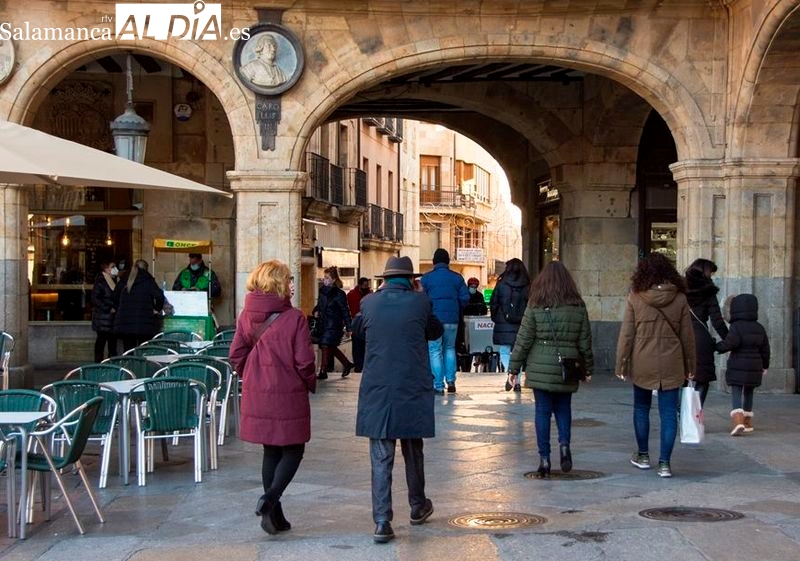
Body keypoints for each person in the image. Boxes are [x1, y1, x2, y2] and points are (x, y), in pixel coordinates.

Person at [354, 256, 443, 544]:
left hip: (378, 389)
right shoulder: (421, 302)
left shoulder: (368, 303)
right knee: (413, 449)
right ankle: (417, 506)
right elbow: (435, 331)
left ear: (385, 279)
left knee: (381, 456)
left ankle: (382, 521)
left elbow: (357, 332)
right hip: (411, 386)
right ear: (411, 279)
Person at [229, 260, 316, 534]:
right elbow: (304, 361)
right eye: (290, 280)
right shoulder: (295, 318)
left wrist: (253, 375)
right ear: (278, 283)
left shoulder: (245, 314)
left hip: (258, 392)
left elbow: (236, 354)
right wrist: (309, 382)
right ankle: (270, 498)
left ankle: (275, 516)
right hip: (287, 391)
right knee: (294, 448)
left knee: (271, 449)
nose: (293, 285)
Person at [506, 261, 593, 477]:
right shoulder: (577, 305)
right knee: (564, 408)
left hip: (540, 365)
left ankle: (544, 458)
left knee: (542, 412)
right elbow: (585, 341)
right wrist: (588, 367)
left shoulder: (536, 304)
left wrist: (513, 369)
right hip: (568, 365)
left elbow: (524, 339)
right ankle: (565, 446)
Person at [615, 253, 696, 479]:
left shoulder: (636, 296)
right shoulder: (680, 298)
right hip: (672, 362)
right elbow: (688, 336)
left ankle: (642, 455)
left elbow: (627, 334)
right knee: (669, 413)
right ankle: (664, 463)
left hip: (643, 361)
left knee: (641, 408)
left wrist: (621, 363)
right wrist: (691, 365)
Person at [715, 294, 770, 436]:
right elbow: (765, 349)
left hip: (738, 363)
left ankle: (738, 421)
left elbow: (730, 343)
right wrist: (765, 365)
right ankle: (747, 422)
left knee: (737, 390)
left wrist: (716, 347)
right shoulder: (759, 328)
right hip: (755, 365)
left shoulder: (736, 327)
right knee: (749, 392)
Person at [420, 248, 469, 394]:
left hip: (434, 321)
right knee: (450, 348)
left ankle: (438, 385)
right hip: (452, 320)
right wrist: (456, 307)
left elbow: (422, 299)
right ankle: (451, 381)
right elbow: (465, 298)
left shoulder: (427, 278)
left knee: (435, 351)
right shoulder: (457, 278)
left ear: (434, 262)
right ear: (448, 262)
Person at [684, 258, 728, 405]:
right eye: (711, 274)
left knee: (680, 379)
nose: (712, 277)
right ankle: (695, 412)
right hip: (700, 339)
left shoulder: (679, 290)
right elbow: (717, 321)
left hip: (680, 337)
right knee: (702, 379)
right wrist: (728, 340)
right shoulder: (708, 293)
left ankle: (681, 411)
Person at [490, 258, 532, 392]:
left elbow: (494, 303)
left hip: (504, 323)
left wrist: (497, 318)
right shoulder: (527, 285)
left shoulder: (502, 284)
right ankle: (517, 381)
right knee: (518, 353)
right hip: (521, 323)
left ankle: (510, 374)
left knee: (504, 351)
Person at [114, 260, 166, 351]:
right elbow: (159, 296)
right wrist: (157, 309)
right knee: (143, 351)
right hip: (144, 322)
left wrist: (120, 309)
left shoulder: (125, 278)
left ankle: (128, 365)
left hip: (126, 321)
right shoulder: (148, 279)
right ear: (146, 269)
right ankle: (140, 365)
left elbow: (115, 296)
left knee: (128, 350)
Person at [313, 266, 354, 379]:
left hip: (333, 325)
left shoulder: (339, 294)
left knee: (326, 345)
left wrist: (349, 328)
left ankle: (323, 371)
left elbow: (345, 310)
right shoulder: (322, 292)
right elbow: (319, 306)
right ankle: (347, 364)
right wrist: (315, 311)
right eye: (324, 277)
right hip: (323, 324)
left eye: (326, 278)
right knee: (329, 347)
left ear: (333, 279)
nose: (324, 280)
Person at [91, 260, 118, 362]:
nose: (115, 269)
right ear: (106, 269)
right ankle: (98, 364)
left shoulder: (114, 281)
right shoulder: (101, 282)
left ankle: (112, 365)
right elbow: (95, 299)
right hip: (103, 318)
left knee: (112, 344)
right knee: (101, 342)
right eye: (113, 266)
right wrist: (108, 308)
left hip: (111, 319)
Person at [347, 277, 372, 372]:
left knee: (365, 347)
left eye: (367, 285)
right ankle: (358, 367)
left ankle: (364, 366)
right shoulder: (352, 295)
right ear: (360, 285)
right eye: (365, 285)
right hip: (356, 325)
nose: (367, 287)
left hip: (366, 324)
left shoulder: (370, 295)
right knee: (357, 348)